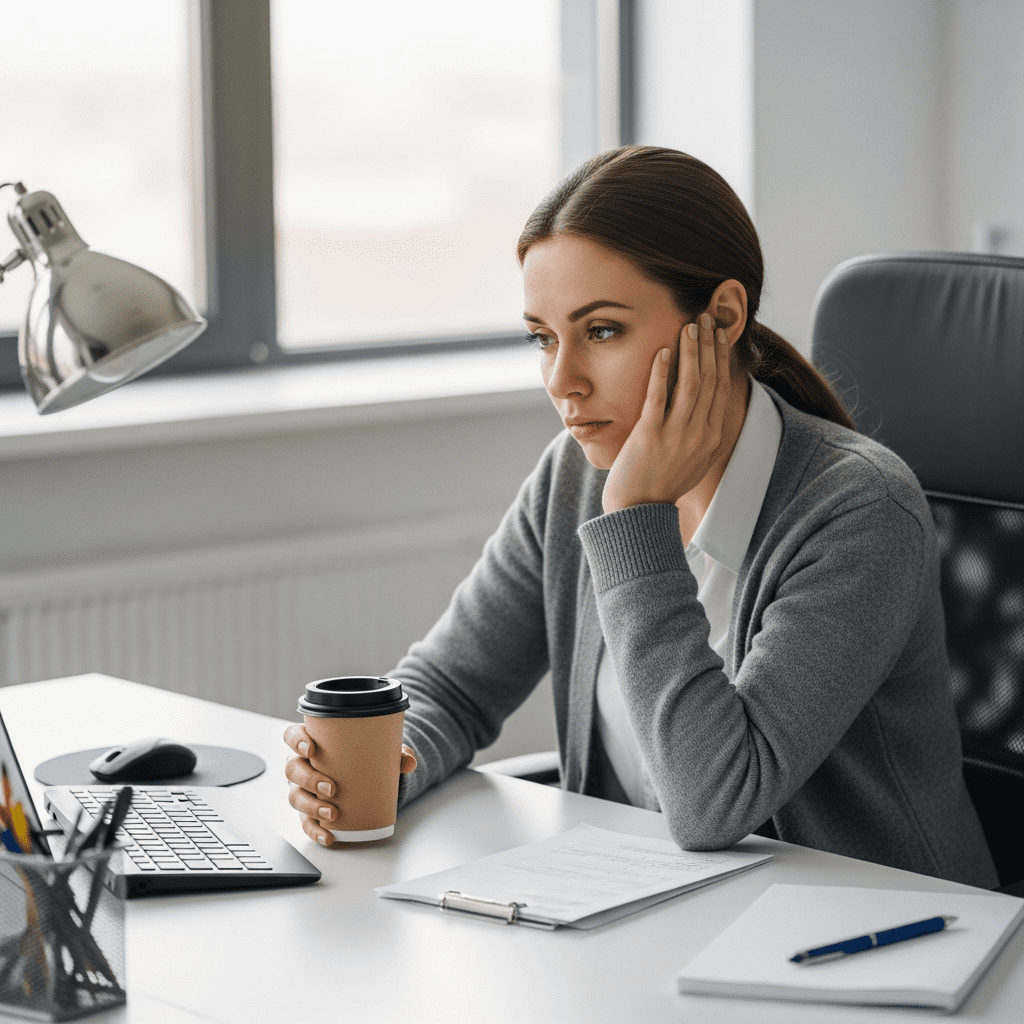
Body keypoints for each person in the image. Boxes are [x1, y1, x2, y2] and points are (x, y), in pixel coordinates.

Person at [284, 146, 998, 888]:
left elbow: (715, 804)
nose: (562, 381)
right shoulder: (572, 475)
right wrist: (378, 772)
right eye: (542, 337)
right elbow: (452, 687)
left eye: (600, 332)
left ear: (721, 317)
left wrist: (634, 522)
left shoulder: (859, 511)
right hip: (653, 914)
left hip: (872, 936)